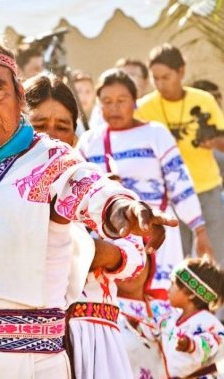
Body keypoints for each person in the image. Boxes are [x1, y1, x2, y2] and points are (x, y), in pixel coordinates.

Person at [0, 25, 177, 379]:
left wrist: (122, 208)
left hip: (30, 366)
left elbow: (88, 188)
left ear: (19, 98)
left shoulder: (49, 160)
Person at [25, 74, 146, 379]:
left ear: (75, 138)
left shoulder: (97, 186)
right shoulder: (4, 189)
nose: (50, 137)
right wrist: (87, 252)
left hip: (95, 337)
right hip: (27, 343)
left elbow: (135, 258)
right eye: (38, 126)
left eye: (62, 127)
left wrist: (104, 254)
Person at [79, 69, 211, 290]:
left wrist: (199, 229)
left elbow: (180, 183)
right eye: (107, 101)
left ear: (135, 102)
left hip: (157, 235)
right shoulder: (88, 141)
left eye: (121, 100)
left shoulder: (156, 134)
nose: (114, 108)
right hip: (112, 237)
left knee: (162, 300)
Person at [135, 44, 224, 263]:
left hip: (207, 189)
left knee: (218, 256)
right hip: (169, 195)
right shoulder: (143, 107)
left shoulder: (204, 100)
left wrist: (213, 141)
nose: (161, 84)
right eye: (156, 78)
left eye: (166, 77)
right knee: (178, 260)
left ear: (181, 72)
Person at [160, 258, 224, 378]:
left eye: (173, 284)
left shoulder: (209, 323)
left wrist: (190, 344)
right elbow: (156, 333)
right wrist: (139, 327)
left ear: (191, 293)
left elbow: (211, 343)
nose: (168, 289)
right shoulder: (170, 318)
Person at [116, 253, 173, 379]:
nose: (132, 269)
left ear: (151, 265)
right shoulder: (101, 310)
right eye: (123, 260)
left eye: (138, 259)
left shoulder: (168, 309)